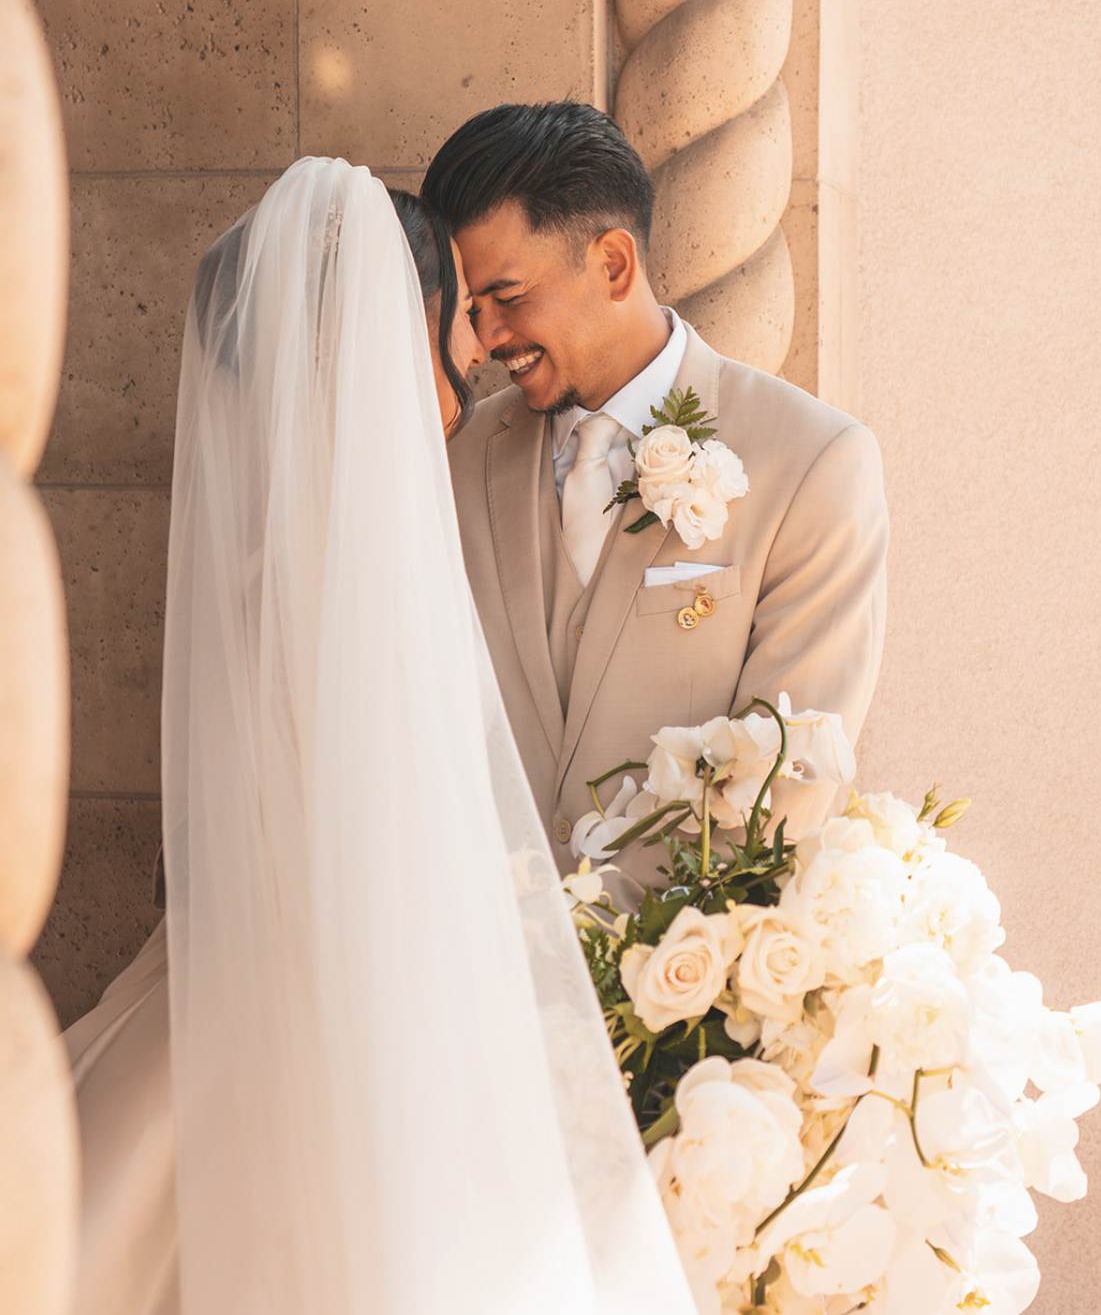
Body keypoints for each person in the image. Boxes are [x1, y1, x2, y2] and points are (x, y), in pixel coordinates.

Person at [64, 158, 697, 1315]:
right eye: (459, 306)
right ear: (392, 325)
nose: (479, 344)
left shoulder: (272, 544)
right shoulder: (364, 560)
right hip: (356, 1009)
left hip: (223, 994)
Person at [421, 103, 889, 895]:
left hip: (680, 957)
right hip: (474, 949)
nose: (488, 337)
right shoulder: (451, 457)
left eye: (507, 294)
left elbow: (790, 783)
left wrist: (627, 955)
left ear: (613, 264)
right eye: (471, 309)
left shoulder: (813, 462)